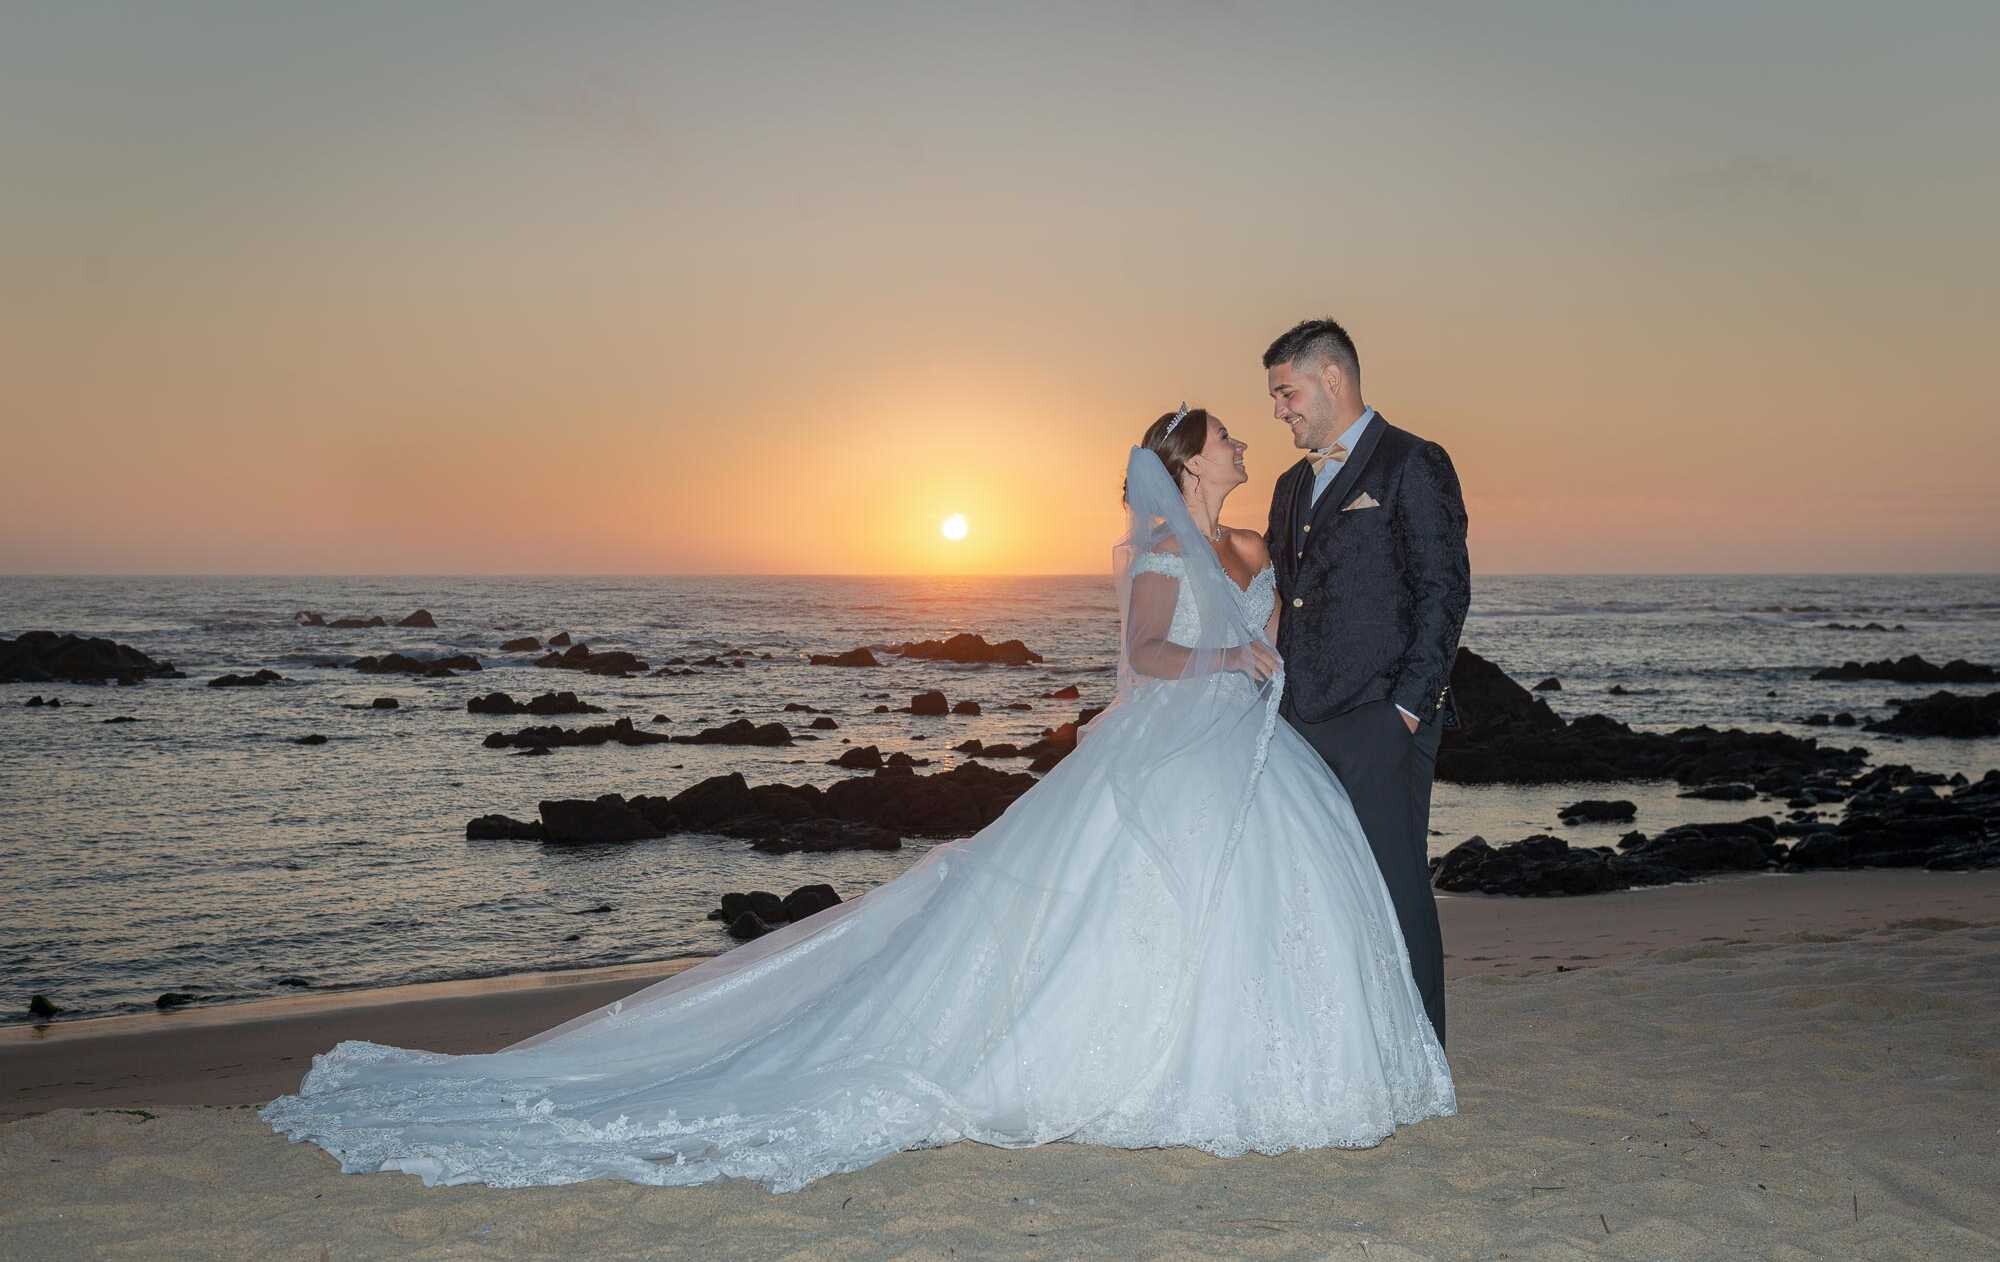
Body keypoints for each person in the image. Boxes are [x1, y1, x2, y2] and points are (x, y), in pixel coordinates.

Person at [262, 408, 1455, 1192]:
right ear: (1187, 458)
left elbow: (1299, 601)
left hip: (1247, 759)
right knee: (1131, 913)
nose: (1245, 443)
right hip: (1176, 748)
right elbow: (1145, 658)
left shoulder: (1244, 543)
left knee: (1253, 914)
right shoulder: (1150, 555)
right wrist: (1231, 661)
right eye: (1228, 436)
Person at [1263, 318, 1471, 1046]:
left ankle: (1421, 1056)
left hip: (1382, 720)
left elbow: (1444, 591)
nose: (1280, 409)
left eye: (1286, 392)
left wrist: (1408, 712)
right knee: (1320, 893)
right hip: (1300, 722)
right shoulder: (1290, 486)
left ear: (1332, 378)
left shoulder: (1413, 462)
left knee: (1396, 888)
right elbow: (1290, 601)